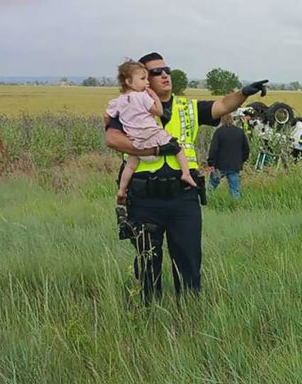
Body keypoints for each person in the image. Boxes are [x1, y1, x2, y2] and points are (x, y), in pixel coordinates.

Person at [105, 51, 268, 303]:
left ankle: (189, 317)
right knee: (148, 263)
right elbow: (112, 139)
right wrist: (156, 150)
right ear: (142, 79)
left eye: (167, 70)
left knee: (189, 262)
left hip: (183, 197)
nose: (165, 75)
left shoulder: (187, 107)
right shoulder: (129, 105)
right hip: (144, 198)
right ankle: (148, 315)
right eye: (156, 72)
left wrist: (244, 92)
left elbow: (223, 105)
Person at [105, 60, 196, 205]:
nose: (146, 82)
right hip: (152, 135)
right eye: (143, 79)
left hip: (136, 141)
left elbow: (107, 116)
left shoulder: (118, 101)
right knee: (177, 148)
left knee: (130, 166)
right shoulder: (142, 97)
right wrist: (153, 96)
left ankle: (122, 189)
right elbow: (158, 111)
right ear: (129, 81)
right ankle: (186, 174)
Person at [208, 114, 250, 199]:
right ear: (232, 120)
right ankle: (235, 207)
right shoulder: (240, 132)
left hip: (219, 166)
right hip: (235, 165)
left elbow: (213, 149)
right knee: (235, 190)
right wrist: (241, 161)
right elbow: (246, 149)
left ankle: (205, 202)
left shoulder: (219, 132)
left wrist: (211, 163)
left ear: (222, 120)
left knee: (211, 187)